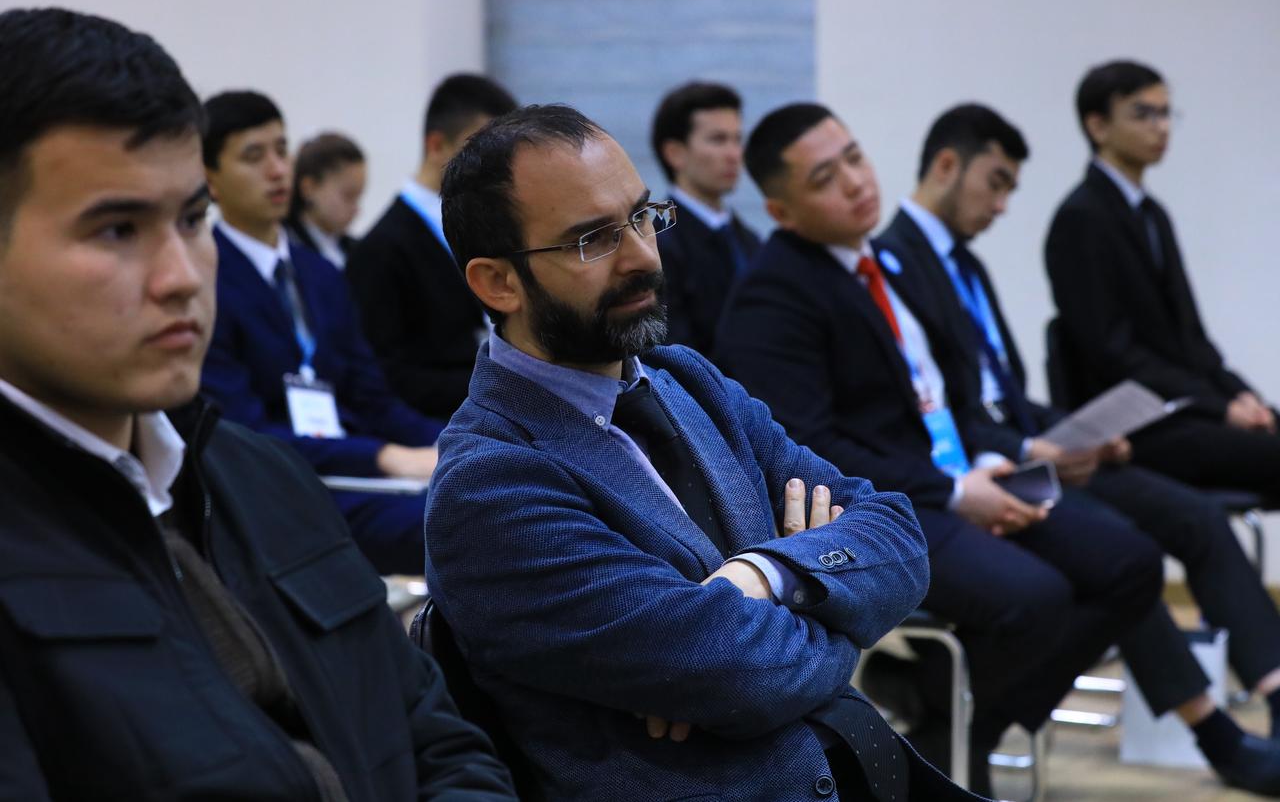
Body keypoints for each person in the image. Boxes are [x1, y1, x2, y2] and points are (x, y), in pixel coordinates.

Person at [0, 6, 514, 800]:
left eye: (191, 219)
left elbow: (441, 743)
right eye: (116, 230)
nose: (181, 275)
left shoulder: (259, 478)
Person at [425, 104, 982, 801]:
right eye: (593, 240)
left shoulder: (687, 379)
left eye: (641, 217)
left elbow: (898, 537)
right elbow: (748, 675)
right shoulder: (491, 483)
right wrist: (834, 611)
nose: (642, 257)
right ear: (497, 282)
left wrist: (762, 576)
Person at [716, 102, 1165, 797]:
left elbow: (948, 395)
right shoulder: (773, 296)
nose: (857, 182)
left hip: (958, 477)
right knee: (1036, 598)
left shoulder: (887, 261)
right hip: (885, 503)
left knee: (1129, 562)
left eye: (855, 157)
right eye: (825, 178)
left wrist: (986, 462)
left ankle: (947, 718)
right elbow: (809, 448)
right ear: (782, 211)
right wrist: (956, 492)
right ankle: (954, 727)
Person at [876, 101, 1280, 794]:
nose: (1002, 206)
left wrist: (1078, 432)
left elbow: (1004, 390)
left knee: (1194, 518)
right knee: (1119, 551)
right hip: (982, 468)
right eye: (995, 183)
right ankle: (1212, 731)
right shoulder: (893, 265)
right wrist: (1031, 444)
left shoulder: (964, 265)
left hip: (1031, 452)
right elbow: (945, 413)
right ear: (947, 165)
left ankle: (1272, 691)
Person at [200, 90, 443, 575]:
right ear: (210, 180)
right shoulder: (203, 281)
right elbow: (242, 434)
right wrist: (384, 457)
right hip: (284, 490)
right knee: (463, 525)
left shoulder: (321, 274)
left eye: (281, 150)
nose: (277, 170)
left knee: (492, 490)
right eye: (254, 156)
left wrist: (455, 443)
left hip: (359, 474)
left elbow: (374, 399)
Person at [1045, 59, 1280, 497]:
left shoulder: (1154, 215)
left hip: (1187, 410)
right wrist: (1219, 407)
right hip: (1137, 427)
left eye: (1166, 113)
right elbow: (1113, 352)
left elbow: (1192, 338)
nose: (1162, 127)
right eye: (1143, 114)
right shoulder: (1081, 218)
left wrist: (1243, 397)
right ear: (1098, 126)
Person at [347, 74, 518, 419]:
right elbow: (386, 376)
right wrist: (502, 386)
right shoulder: (381, 250)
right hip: (440, 430)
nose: (498, 170)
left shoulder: (497, 228)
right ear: (437, 146)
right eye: (483, 152)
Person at [649, 80, 761, 355]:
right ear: (675, 153)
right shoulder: (659, 244)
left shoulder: (750, 240)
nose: (734, 154)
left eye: (738, 139)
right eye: (718, 139)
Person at [286, 131, 366, 269]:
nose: (356, 209)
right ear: (309, 188)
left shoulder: (356, 251)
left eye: (358, 198)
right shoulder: (286, 246)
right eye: (348, 196)